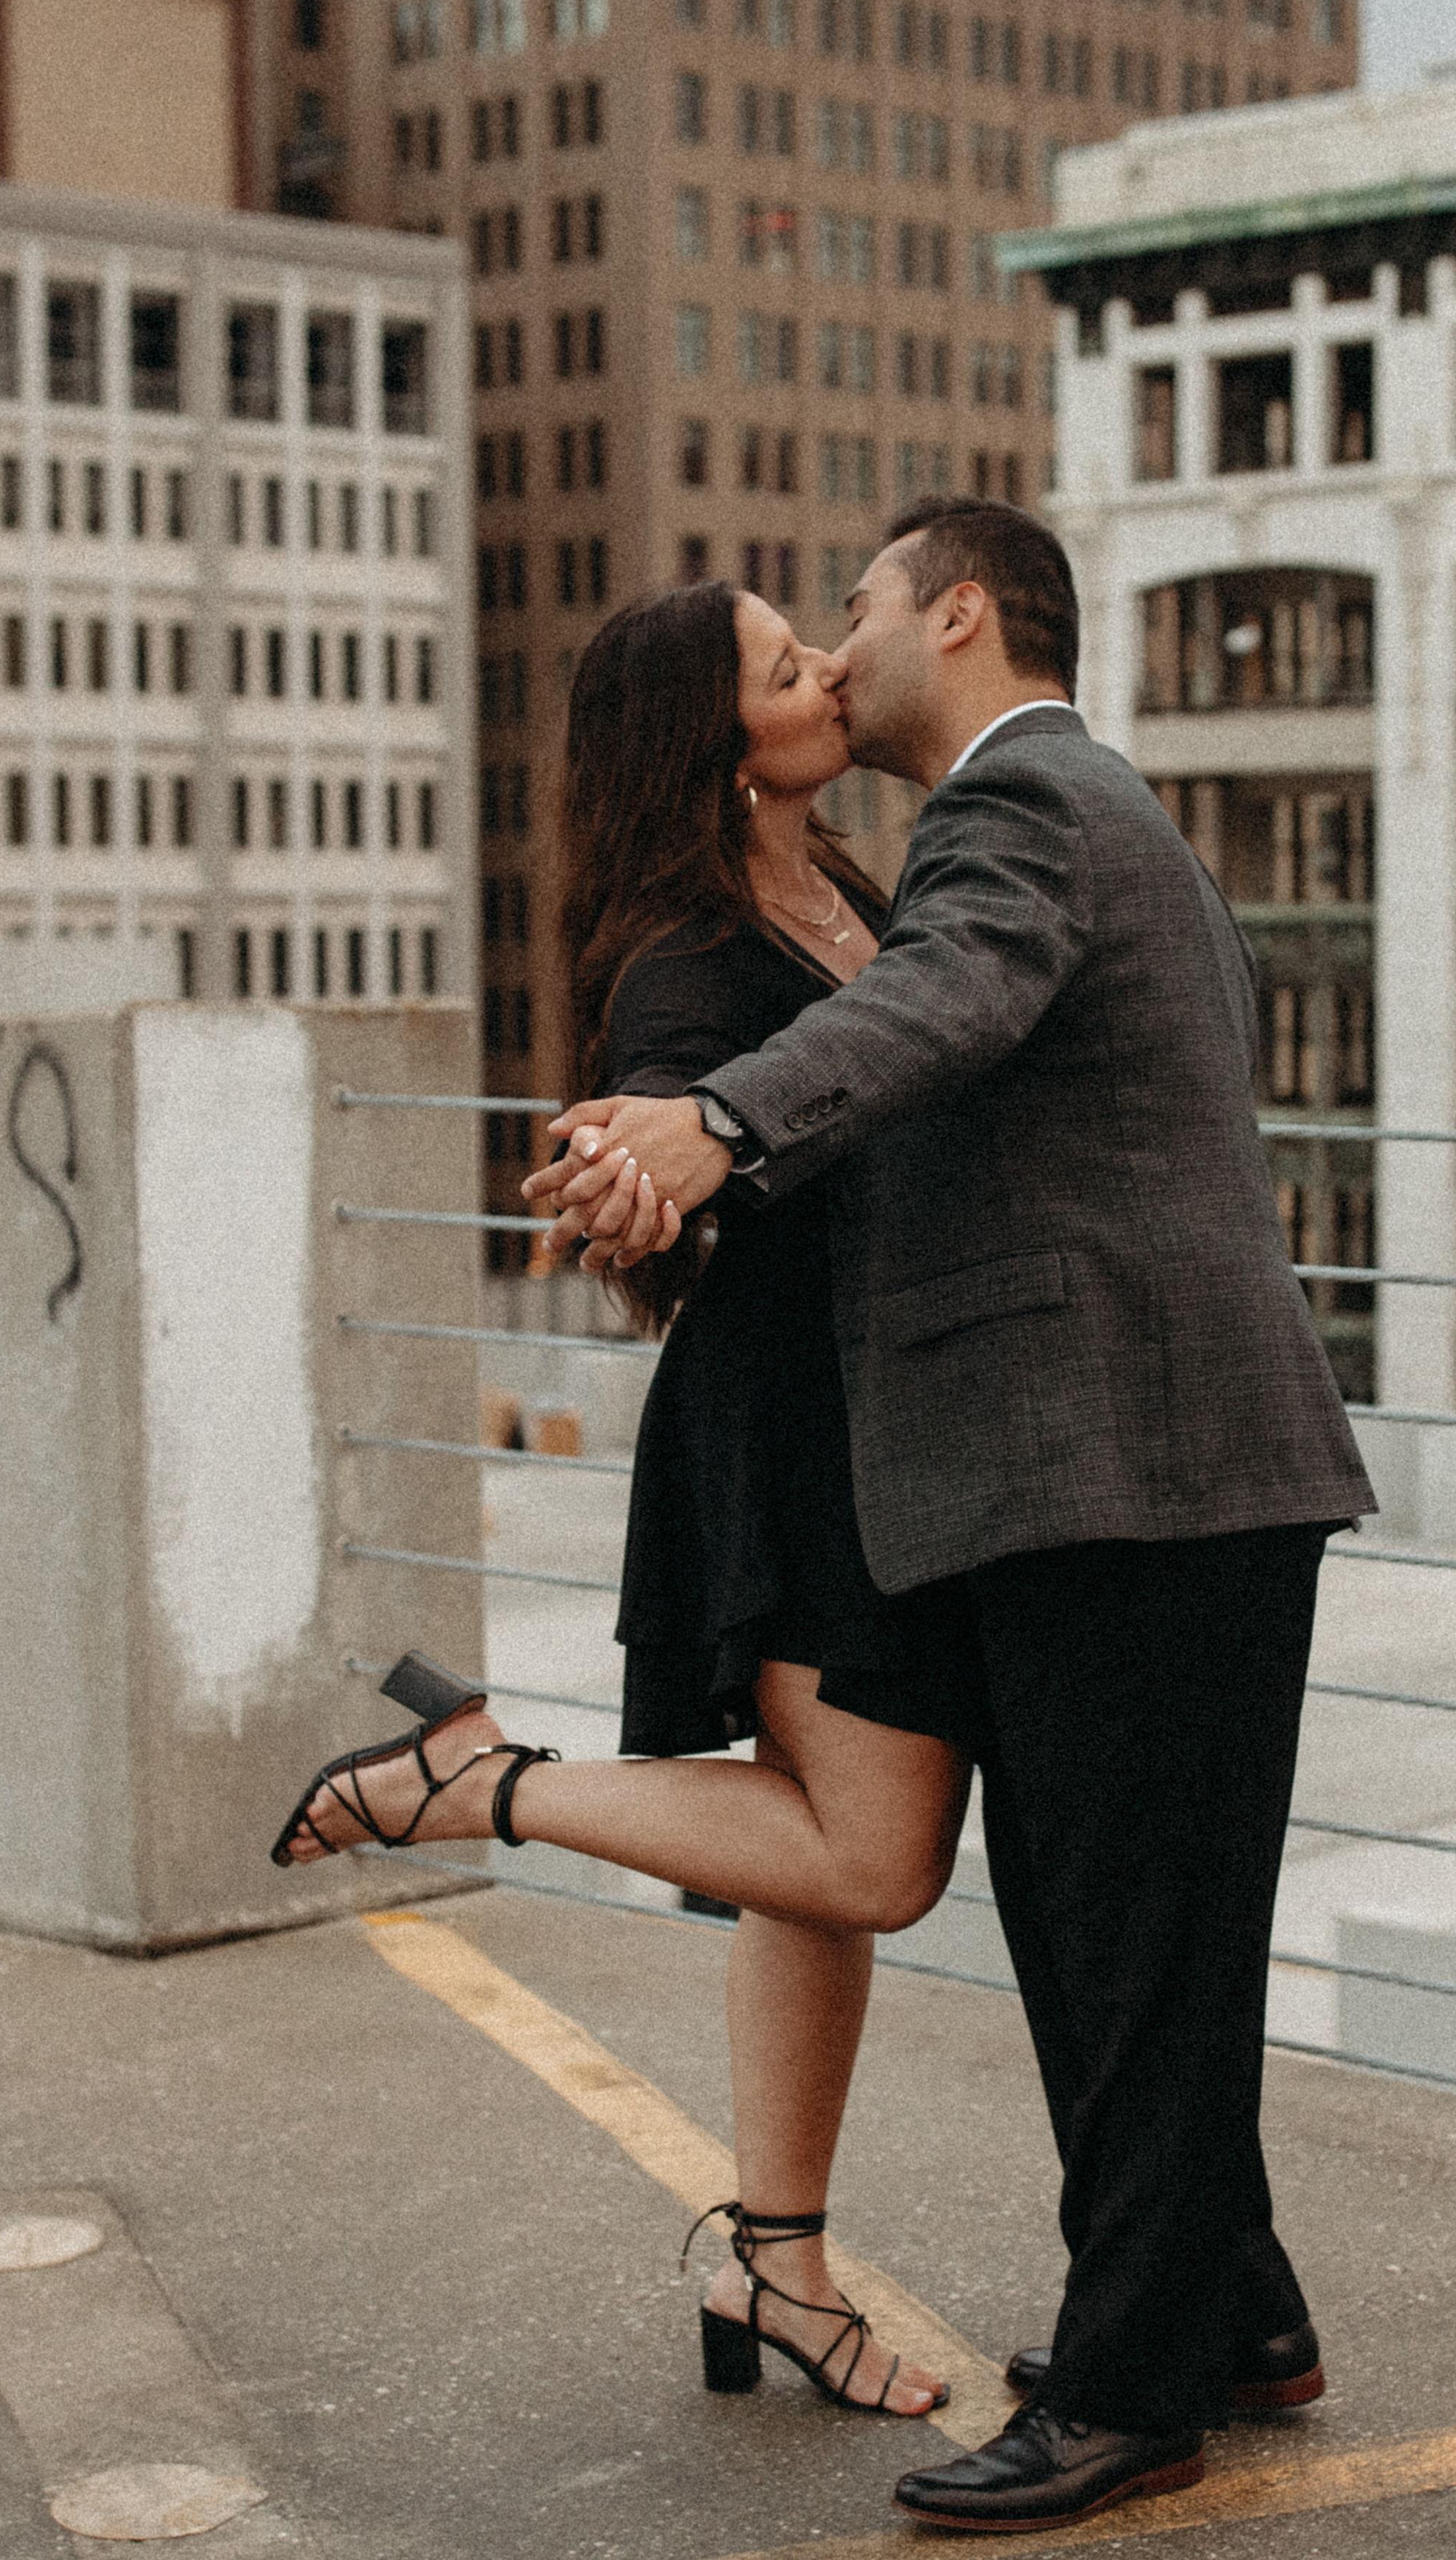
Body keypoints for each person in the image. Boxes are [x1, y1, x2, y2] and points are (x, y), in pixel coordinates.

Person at [532, 498, 1376, 2534]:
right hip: (1111, 1467)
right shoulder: (1059, 814)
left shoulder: (1017, 812)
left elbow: (935, 1008)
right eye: (799, 641)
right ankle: (1233, 2312)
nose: (839, 650)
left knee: (1132, 1951)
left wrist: (711, 1123)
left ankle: (1131, 2387)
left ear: (963, 613)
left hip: (1130, 1470)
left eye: (856, 609)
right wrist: (678, 1157)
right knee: (1127, 1943)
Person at [269, 578, 967, 2423]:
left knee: (808, 1873)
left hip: (884, 1433)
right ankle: (478, 1783)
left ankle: (778, 2266)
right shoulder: (687, 954)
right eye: (786, 668)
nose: (830, 670)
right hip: (797, 1451)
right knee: (874, 1861)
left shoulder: (847, 891)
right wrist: (636, 1166)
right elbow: (658, 1107)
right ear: (721, 748)